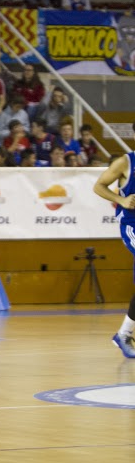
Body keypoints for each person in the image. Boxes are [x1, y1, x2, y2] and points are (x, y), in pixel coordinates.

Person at [93, 126, 135, 358]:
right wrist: (121, 198)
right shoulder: (125, 162)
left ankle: (123, 334)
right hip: (132, 225)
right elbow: (98, 186)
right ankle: (124, 334)